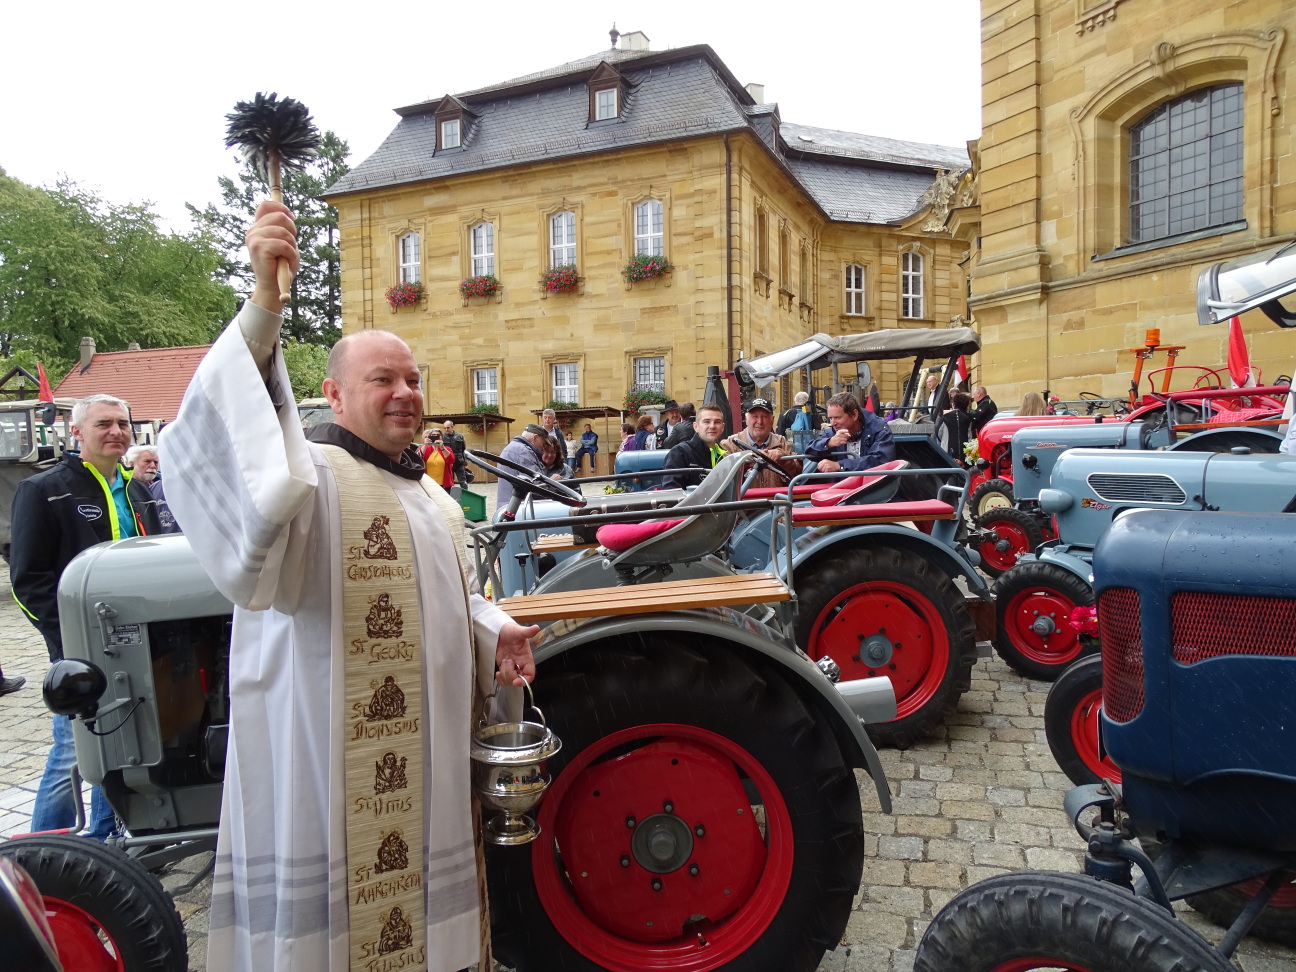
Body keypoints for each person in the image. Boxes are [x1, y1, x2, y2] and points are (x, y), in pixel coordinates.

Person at [159, 199, 538, 972]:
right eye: (381, 379)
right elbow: (234, 451)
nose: (405, 393)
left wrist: (490, 626)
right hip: (329, 764)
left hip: (426, 765)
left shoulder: (431, 495)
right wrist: (263, 307)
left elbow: (443, 601)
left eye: (413, 379)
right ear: (332, 397)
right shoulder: (312, 479)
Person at [11, 393, 165, 839]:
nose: (116, 431)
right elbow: (28, 580)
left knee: (120, 744)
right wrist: (69, 641)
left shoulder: (138, 490)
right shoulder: (43, 490)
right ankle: (43, 854)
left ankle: (105, 838)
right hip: (81, 648)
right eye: (103, 424)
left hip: (140, 641)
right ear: (76, 432)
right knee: (72, 752)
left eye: (123, 423)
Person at [805, 392, 897, 473]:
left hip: (873, 485)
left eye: (837, 418)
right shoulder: (833, 431)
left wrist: (840, 465)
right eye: (830, 418)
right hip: (841, 485)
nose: (832, 423)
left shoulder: (879, 428)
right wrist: (829, 443)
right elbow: (809, 452)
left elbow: (881, 460)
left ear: (854, 415)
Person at [719, 398, 796, 489]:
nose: (760, 422)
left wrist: (783, 459)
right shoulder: (730, 444)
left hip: (775, 497)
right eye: (755, 416)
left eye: (765, 416)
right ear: (746, 419)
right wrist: (747, 458)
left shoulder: (782, 442)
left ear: (772, 420)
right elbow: (723, 476)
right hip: (744, 498)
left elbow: (797, 473)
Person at [662, 402, 727, 489]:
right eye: (706, 422)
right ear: (696, 427)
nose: (712, 426)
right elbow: (671, 491)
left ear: (722, 427)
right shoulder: (680, 453)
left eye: (717, 422)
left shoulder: (725, 456)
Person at [496, 423, 561, 508]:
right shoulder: (524, 452)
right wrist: (551, 482)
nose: (543, 447)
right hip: (518, 508)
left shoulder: (511, 447)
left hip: (507, 505)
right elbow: (535, 486)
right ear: (536, 437)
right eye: (543, 442)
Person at [937, 391, 976, 462]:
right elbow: (971, 435)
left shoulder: (945, 417)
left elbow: (938, 432)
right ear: (967, 405)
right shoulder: (969, 418)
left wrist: (944, 441)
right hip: (965, 452)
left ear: (954, 404)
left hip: (948, 452)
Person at [441, 420, 469, 488]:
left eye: (448, 427)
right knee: (450, 483)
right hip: (448, 462)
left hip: (459, 462)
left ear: (452, 427)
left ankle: (465, 494)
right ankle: (450, 494)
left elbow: (463, 450)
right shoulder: (442, 437)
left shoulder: (460, 436)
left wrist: (465, 463)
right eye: (445, 428)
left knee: (463, 482)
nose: (446, 429)